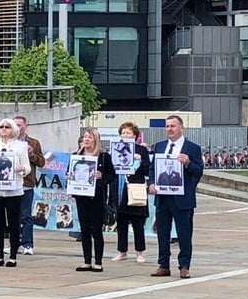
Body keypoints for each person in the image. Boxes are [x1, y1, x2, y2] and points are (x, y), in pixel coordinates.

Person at [148, 115, 203, 279]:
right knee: (162, 233)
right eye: (167, 126)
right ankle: (163, 264)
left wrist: (187, 163)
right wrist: (151, 183)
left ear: (181, 128)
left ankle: (184, 266)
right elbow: (152, 170)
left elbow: (199, 171)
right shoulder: (159, 146)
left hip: (182, 198)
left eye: (173, 126)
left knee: (184, 234)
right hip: (163, 197)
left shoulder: (192, 148)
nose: (169, 129)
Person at [0, 118, 30, 268]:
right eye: (1, 126)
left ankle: (13, 256)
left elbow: (27, 167)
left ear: (13, 129)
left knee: (14, 222)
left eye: (7, 127)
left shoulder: (21, 146)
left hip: (14, 189)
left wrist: (21, 169)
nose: (4, 129)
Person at [71, 127, 115, 273]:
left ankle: (98, 261)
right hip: (81, 197)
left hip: (96, 197)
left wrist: (102, 176)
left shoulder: (103, 157)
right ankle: (86, 260)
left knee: (96, 229)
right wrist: (69, 177)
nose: (86, 139)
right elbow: (70, 172)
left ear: (95, 139)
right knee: (84, 230)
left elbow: (112, 175)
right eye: (85, 137)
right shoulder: (76, 156)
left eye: (89, 137)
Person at [111, 122, 150, 264]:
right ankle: (122, 251)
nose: (125, 135)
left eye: (128, 133)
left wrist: (139, 160)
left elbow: (147, 169)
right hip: (120, 186)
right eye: (123, 133)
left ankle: (139, 252)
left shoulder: (141, 150)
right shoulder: (116, 149)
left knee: (138, 222)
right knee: (121, 222)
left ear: (135, 135)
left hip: (135, 188)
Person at [14, 116, 45, 256]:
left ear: (26, 126)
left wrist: (32, 154)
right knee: (13, 216)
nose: (18, 127)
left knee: (26, 214)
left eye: (20, 125)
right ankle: (15, 243)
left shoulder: (33, 142)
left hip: (26, 183)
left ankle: (27, 244)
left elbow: (42, 163)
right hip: (11, 184)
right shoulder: (8, 142)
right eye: (15, 125)